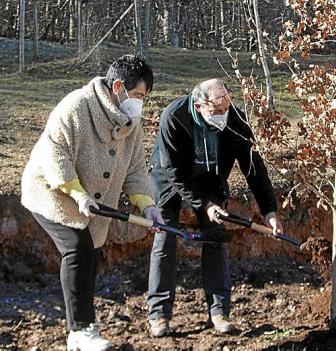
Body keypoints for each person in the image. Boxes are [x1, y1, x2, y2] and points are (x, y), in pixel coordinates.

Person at [21, 54, 164, 350]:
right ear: (117, 87)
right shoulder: (76, 106)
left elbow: (136, 169)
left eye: (144, 97)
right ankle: (80, 331)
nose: (140, 103)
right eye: (137, 95)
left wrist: (148, 206)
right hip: (53, 191)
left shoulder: (131, 123)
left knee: (88, 254)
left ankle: (82, 329)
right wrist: (78, 194)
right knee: (77, 249)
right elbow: (54, 155)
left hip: (91, 199)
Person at [146, 78, 283, 337]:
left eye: (226, 109)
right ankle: (159, 314)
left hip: (210, 176)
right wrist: (204, 204)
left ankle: (219, 312)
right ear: (199, 106)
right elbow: (174, 173)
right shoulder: (174, 117)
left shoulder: (235, 120)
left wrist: (269, 211)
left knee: (216, 236)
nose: (224, 116)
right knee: (165, 238)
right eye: (217, 112)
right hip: (168, 176)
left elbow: (253, 167)